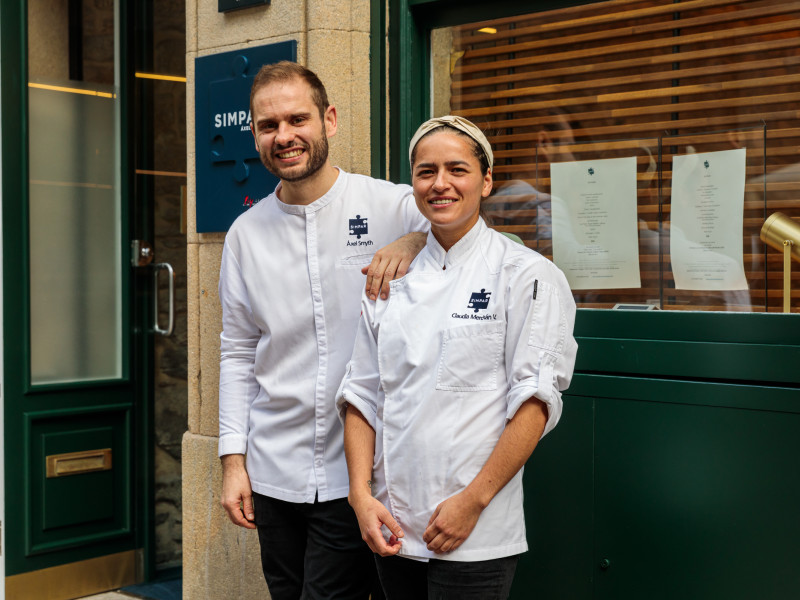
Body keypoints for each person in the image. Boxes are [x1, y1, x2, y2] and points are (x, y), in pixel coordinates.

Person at [337, 115, 578, 599]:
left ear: (486, 181)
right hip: (394, 525)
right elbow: (362, 394)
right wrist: (361, 495)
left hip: (476, 532)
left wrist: (473, 501)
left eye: (457, 169)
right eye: (426, 172)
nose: (440, 184)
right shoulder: (389, 281)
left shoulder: (527, 276)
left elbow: (535, 402)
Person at [217, 61, 428, 600]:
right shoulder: (245, 234)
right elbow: (238, 351)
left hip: (358, 473)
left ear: (329, 120)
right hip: (272, 469)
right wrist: (232, 462)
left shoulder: (394, 206)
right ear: (256, 136)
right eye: (268, 126)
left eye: (297, 119)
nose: (284, 136)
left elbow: (474, 236)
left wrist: (414, 241)